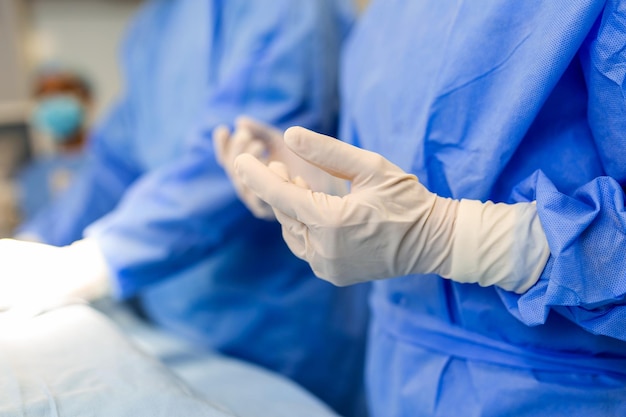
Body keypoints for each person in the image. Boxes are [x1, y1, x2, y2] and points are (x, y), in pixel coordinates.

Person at [230, 0, 626, 416]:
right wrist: (319, 182)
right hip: (397, 381)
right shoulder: (385, 15)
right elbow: (410, 178)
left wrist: (464, 239)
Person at [1, 1, 369, 416]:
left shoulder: (284, 11)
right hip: (175, 316)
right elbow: (114, 164)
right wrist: (34, 242)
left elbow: (236, 162)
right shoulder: (153, 27)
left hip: (278, 324)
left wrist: (99, 258)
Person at [16, 67, 92, 223]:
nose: (52, 101)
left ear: (86, 98)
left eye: (61, 92)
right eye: (44, 96)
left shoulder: (112, 163)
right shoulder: (33, 175)